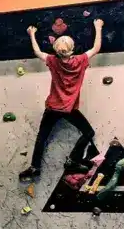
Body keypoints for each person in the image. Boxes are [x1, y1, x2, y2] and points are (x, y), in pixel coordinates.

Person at [19, 19, 104, 182]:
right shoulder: (80, 60)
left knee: (41, 137)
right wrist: (98, 27)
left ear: (56, 50)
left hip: (52, 107)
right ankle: (72, 160)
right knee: (88, 133)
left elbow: (37, 52)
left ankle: (35, 167)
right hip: (69, 109)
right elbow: (96, 48)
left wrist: (32, 34)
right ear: (72, 50)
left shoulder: (53, 60)